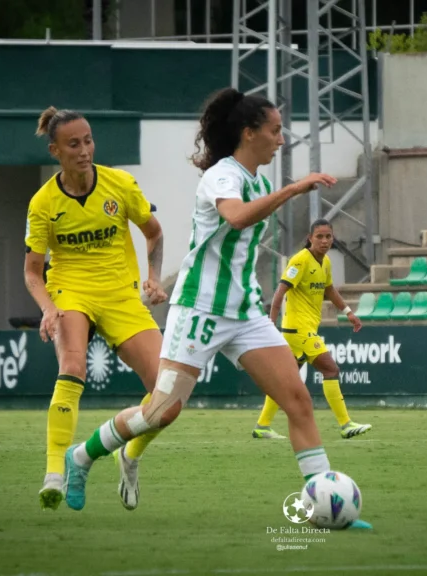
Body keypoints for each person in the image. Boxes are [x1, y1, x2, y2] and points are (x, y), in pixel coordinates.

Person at [60, 88, 372, 529]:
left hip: (243, 312)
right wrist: (295, 189)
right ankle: (81, 455)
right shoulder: (222, 176)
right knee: (160, 412)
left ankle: (326, 507)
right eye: (275, 130)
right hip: (200, 310)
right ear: (249, 133)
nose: (282, 140)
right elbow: (237, 217)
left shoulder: (259, 180)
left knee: (298, 400)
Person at [24, 107, 167, 511]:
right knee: (72, 366)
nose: (84, 150)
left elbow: (154, 234)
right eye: (73, 144)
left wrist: (153, 276)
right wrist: (48, 308)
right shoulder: (43, 203)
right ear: (55, 150)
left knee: (167, 397)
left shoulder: (120, 184)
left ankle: (129, 454)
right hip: (71, 291)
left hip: (121, 294)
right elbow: (33, 272)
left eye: (88, 140)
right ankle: (55, 471)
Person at [251, 219, 372, 440]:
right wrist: (270, 325)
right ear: (310, 238)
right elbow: (279, 293)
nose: (324, 241)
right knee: (331, 369)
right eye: (320, 236)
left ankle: (262, 425)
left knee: (285, 380)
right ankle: (345, 424)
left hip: (301, 330)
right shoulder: (300, 261)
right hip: (298, 331)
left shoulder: (325, 263)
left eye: (328, 236)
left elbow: (329, 289)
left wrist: (348, 312)